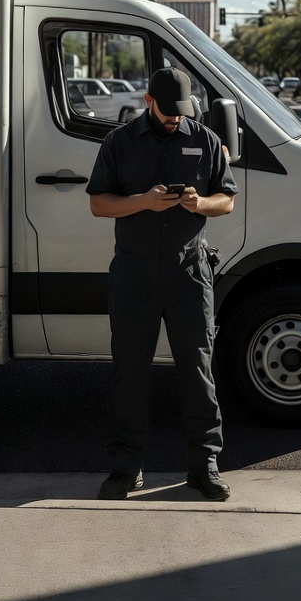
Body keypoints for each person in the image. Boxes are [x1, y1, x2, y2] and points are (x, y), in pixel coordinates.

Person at [87, 68, 238, 502]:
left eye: (182, 112)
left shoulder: (206, 141)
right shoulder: (119, 142)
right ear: (148, 99)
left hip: (189, 272)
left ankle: (204, 466)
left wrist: (198, 203)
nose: (175, 119)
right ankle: (125, 468)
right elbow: (99, 204)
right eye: (168, 111)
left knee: (198, 370)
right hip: (134, 273)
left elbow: (225, 200)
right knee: (130, 372)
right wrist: (143, 202)